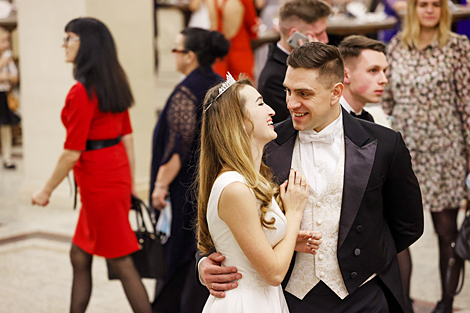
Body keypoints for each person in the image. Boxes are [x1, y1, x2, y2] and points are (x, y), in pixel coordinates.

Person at [199, 42, 424, 312]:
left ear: (335, 92)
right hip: (289, 298)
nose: (292, 103)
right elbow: (221, 213)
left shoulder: (384, 144)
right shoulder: (264, 144)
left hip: (365, 297)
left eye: (304, 93)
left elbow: (408, 223)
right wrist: (204, 261)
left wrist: (365, 258)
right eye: (288, 91)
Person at [31, 18, 151, 313]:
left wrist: (46, 191)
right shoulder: (113, 82)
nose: (64, 43)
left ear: (87, 45)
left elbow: (72, 153)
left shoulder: (81, 92)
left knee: (121, 261)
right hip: (113, 176)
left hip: (99, 183)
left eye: (70, 37)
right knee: (79, 255)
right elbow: (128, 139)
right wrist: (129, 185)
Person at [198, 74, 319, 312]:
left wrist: (288, 241)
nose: (272, 110)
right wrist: (294, 214)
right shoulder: (234, 188)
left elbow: (249, 245)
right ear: (239, 121)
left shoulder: (251, 180)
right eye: (261, 104)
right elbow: (273, 273)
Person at [380, 0, 470, 311]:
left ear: (443, 10)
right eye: (423, 4)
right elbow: (386, 100)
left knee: (447, 232)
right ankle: (402, 303)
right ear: (413, 9)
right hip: (405, 152)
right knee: (399, 231)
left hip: (446, 152)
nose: (429, 10)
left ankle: (446, 301)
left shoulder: (457, 47)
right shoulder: (396, 46)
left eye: (435, 4)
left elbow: (467, 103)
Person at [149, 28, 229, 313]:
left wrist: (160, 186)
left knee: (176, 260)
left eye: (176, 49)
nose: (173, 55)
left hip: (184, 189)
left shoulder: (186, 90)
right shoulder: (220, 85)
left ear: (190, 56)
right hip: (210, 185)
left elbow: (176, 147)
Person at [339, 34, 415, 313]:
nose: (384, 79)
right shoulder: (332, 125)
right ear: (345, 75)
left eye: (385, 71)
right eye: (373, 71)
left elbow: (405, 214)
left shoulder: (375, 121)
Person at [258, 0, 332, 124]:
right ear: (295, 35)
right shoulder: (274, 78)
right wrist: (313, 65)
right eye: (318, 34)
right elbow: (299, 126)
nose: (325, 39)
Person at [206, 0, 259, 80]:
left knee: (220, 85)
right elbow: (251, 24)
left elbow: (213, 25)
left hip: (219, 48)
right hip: (239, 46)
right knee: (243, 85)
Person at [0, 27, 19, 169]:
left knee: (5, 126)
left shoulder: (8, 59)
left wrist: (5, 77)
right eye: (2, 41)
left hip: (3, 94)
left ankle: (7, 156)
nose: (6, 44)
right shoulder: (4, 61)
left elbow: (15, 77)